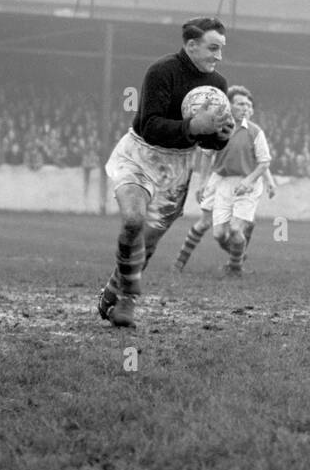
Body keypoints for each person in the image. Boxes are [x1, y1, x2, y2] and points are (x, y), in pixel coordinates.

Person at [96, 17, 235, 330]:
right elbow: (151, 126)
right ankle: (128, 301)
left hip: (177, 168)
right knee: (133, 220)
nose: (218, 56)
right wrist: (192, 126)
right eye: (213, 48)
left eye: (222, 49)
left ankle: (112, 290)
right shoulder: (161, 71)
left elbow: (209, 142)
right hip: (140, 155)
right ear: (191, 45)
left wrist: (221, 134)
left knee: (145, 242)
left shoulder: (219, 86)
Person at [173, 85, 272, 276]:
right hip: (219, 179)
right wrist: (202, 183)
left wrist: (258, 181)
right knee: (212, 229)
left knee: (233, 229)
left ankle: (235, 266)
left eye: (247, 104)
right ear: (229, 106)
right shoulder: (216, 129)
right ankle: (183, 262)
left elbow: (263, 161)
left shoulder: (254, 131)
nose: (245, 108)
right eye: (240, 104)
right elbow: (206, 155)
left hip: (243, 182)